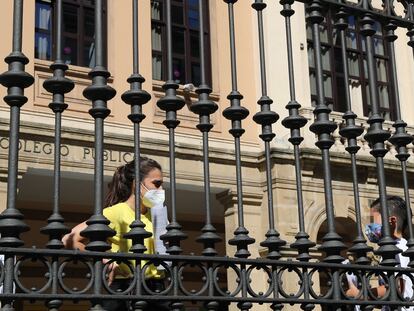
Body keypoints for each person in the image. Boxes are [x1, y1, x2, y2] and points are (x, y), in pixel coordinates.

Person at [62, 157, 169, 311]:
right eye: (156, 184)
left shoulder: (157, 214)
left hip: (158, 288)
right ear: (136, 183)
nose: (160, 190)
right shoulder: (115, 212)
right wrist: (105, 259)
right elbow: (69, 239)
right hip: (126, 287)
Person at [347, 195, 413, 311]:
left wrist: (361, 294)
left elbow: (397, 286)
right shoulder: (396, 248)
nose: (370, 226)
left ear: (392, 221)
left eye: (373, 220)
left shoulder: (399, 249)